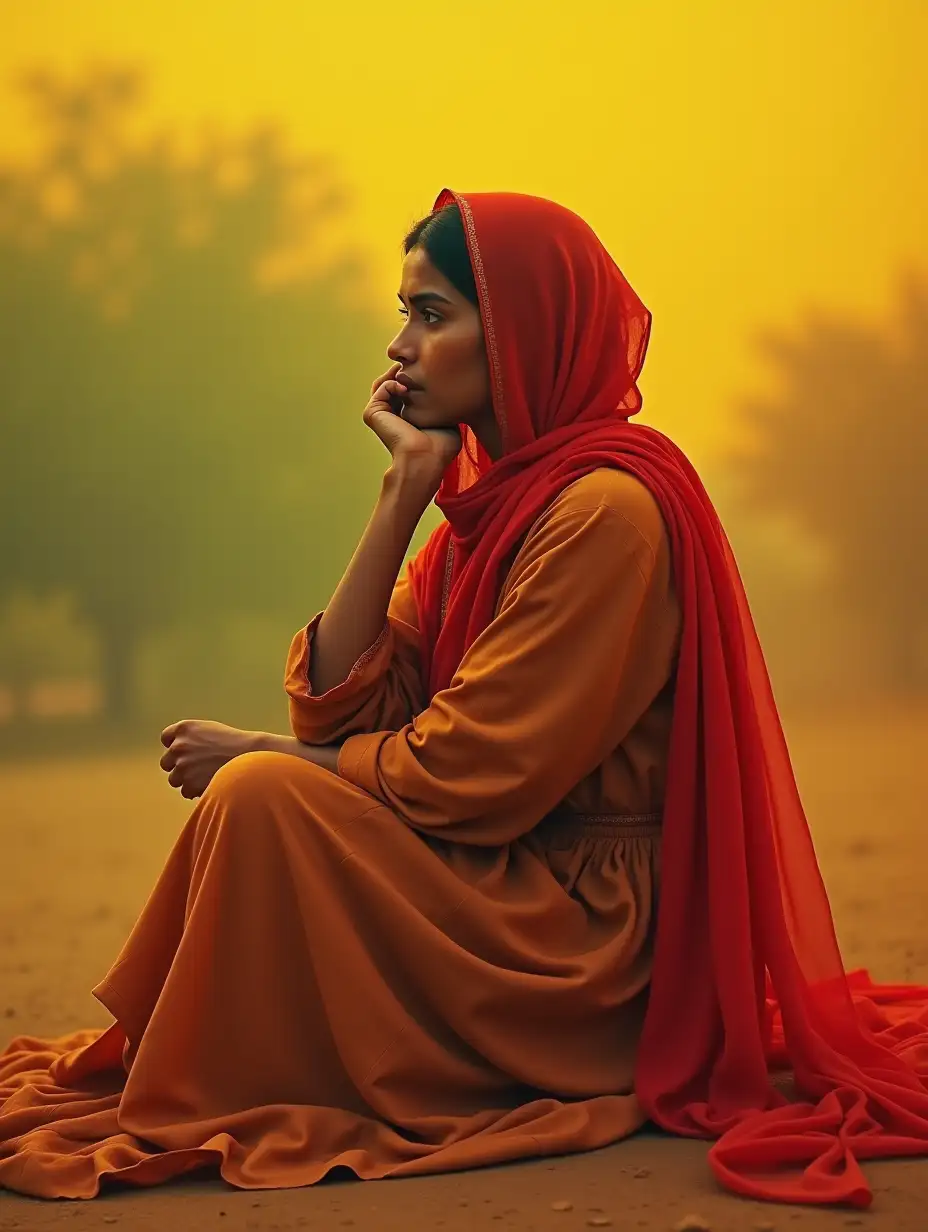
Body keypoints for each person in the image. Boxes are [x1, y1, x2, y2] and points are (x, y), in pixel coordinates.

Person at [1, 189, 926, 1210]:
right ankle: (224, 1057)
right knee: (265, 793)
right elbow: (345, 714)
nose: (399, 345)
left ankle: (229, 1061)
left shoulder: (605, 514)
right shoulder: (479, 514)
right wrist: (400, 494)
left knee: (261, 795)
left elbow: (471, 774)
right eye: (402, 312)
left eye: (433, 314)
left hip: (583, 945)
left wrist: (258, 751)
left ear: (523, 331)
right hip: (490, 882)